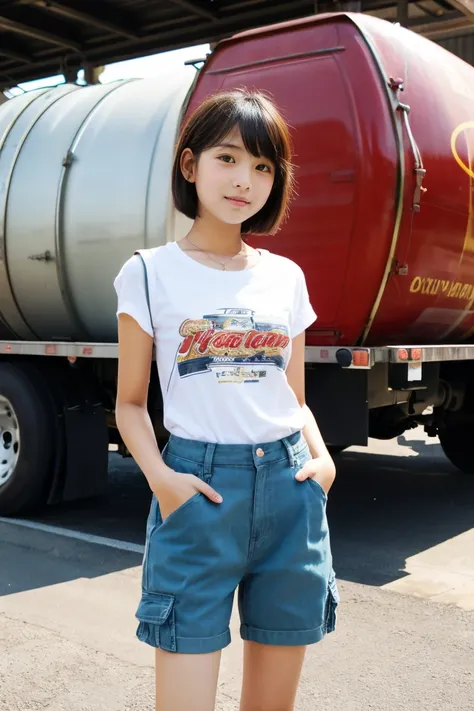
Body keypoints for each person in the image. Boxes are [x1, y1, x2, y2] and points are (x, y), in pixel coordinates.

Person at [114, 89, 339, 711]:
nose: (246, 180)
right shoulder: (149, 272)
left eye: (264, 166)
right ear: (190, 166)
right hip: (199, 489)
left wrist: (322, 465)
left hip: (291, 490)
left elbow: (294, 395)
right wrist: (163, 481)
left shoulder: (285, 277)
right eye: (229, 158)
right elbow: (130, 403)